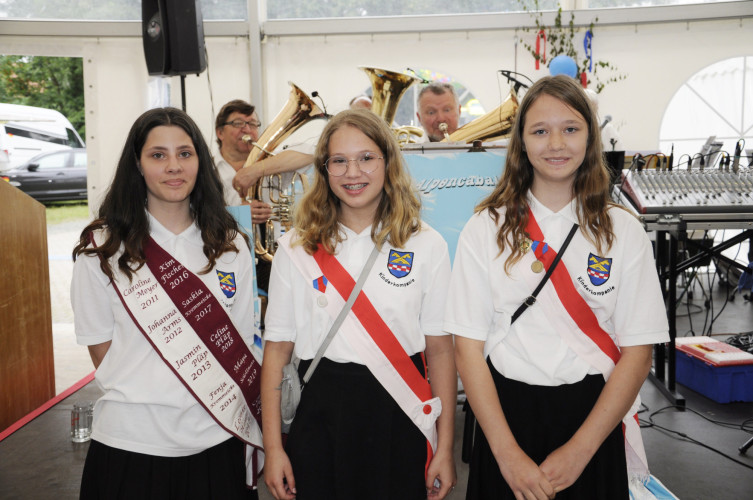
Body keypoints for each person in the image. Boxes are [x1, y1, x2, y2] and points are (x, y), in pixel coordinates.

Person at [445, 75, 669, 500]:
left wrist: (581, 450)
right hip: (504, 417)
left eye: (570, 129)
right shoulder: (485, 228)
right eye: (540, 131)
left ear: (590, 137)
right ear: (522, 142)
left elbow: (639, 352)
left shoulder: (623, 230)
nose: (556, 144)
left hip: (593, 418)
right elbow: (467, 348)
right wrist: (507, 454)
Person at [260, 109, 458, 500]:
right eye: (339, 161)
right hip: (319, 415)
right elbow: (277, 352)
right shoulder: (296, 248)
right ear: (325, 168)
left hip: (399, 415)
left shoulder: (426, 244)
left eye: (367, 158)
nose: (353, 172)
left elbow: (440, 352)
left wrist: (446, 447)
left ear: (388, 162)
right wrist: (272, 448)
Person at [72, 107, 263, 499]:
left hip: (217, 436)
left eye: (185, 153)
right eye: (158, 155)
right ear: (137, 165)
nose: (173, 166)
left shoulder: (232, 245)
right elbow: (101, 349)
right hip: (130, 442)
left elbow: (243, 340)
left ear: (200, 162)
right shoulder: (101, 250)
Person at [215, 99, 313, 293]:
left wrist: (257, 170)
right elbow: (192, 214)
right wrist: (235, 214)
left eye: (252, 124)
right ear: (220, 132)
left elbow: (314, 153)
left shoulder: (271, 164)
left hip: (268, 261)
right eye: (238, 123)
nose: (247, 129)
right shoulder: (206, 169)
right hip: (222, 257)